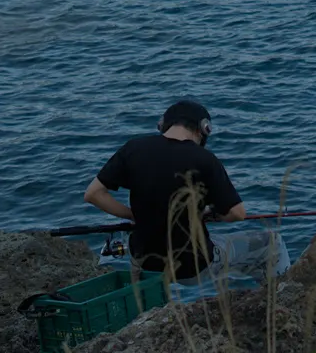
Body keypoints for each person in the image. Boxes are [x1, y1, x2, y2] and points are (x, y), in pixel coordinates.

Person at [85, 99, 247, 282]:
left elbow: (93, 194)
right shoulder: (205, 159)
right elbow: (237, 213)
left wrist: (134, 215)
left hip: (145, 264)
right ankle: (267, 296)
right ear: (202, 129)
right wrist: (209, 214)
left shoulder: (133, 148)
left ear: (163, 125)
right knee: (268, 245)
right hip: (192, 267)